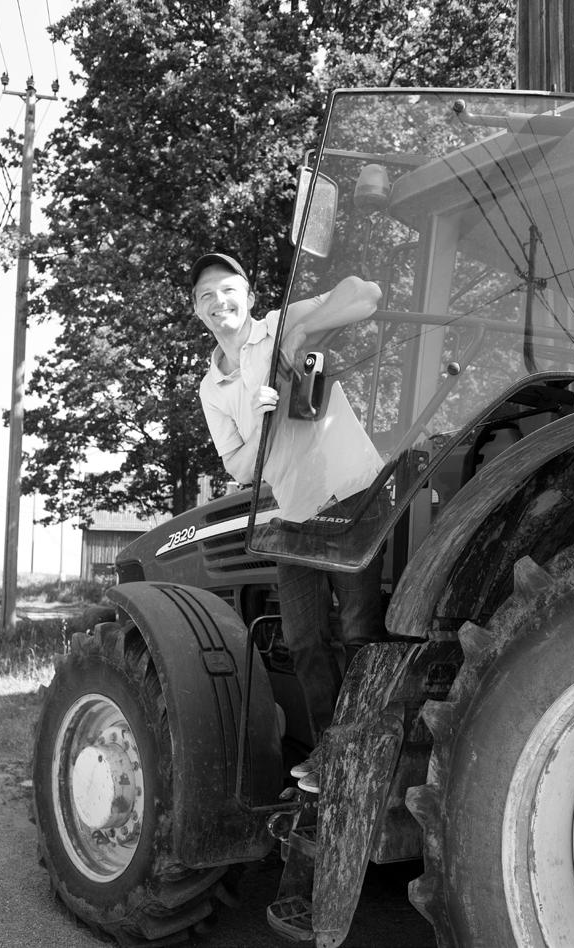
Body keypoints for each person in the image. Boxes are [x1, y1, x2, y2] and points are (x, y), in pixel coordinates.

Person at [193, 252, 387, 791]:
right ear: (198, 312)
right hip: (294, 510)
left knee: (358, 630)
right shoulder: (212, 388)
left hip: (350, 493)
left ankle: (362, 749)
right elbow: (238, 466)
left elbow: (367, 293)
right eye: (206, 297)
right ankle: (331, 750)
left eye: (227, 289)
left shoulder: (280, 323)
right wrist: (261, 416)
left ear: (249, 297)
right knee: (303, 640)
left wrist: (300, 333)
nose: (218, 302)